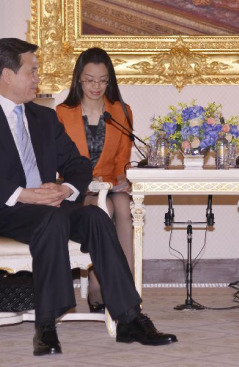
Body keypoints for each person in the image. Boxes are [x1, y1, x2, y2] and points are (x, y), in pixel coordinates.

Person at [0, 38, 177, 356]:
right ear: (7, 74)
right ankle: (45, 326)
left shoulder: (43, 118)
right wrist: (23, 195)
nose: (37, 78)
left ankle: (129, 318)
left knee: (96, 216)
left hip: (49, 208)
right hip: (2, 210)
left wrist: (66, 189)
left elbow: (77, 164)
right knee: (52, 218)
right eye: (32, 71)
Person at [56, 47, 134, 313]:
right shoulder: (62, 113)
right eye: (90, 80)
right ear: (78, 79)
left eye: (102, 80)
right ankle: (98, 287)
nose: (96, 86)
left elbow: (123, 158)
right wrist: (86, 182)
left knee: (124, 206)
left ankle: (126, 289)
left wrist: (125, 179)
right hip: (78, 188)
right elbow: (58, 162)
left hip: (111, 184)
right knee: (105, 207)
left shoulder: (121, 111)